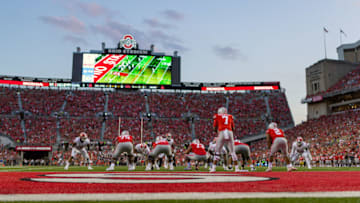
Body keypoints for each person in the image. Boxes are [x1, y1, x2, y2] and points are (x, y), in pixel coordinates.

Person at [210, 107, 240, 172]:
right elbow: (233, 128)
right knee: (232, 151)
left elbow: (214, 127)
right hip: (229, 132)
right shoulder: (230, 116)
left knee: (217, 151)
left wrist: (217, 131)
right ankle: (237, 168)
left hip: (222, 131)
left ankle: (213, 168)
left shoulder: (217, 116)